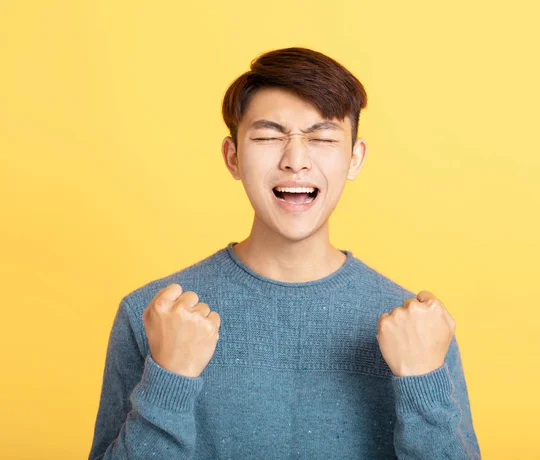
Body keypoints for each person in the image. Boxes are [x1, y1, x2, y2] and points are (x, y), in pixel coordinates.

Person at [88, 46, 481, 459]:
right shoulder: (152, 318)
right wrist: (169, 380)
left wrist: (423, 383)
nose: (296, 161)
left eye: (322, 138)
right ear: (233, 157)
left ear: (355, 158)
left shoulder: (420, 330)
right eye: (269, 136)